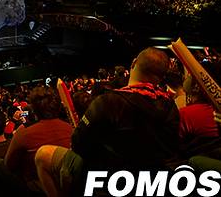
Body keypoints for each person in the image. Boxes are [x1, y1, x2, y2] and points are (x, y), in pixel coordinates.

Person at [35, 47, 180, 197]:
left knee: (43, 154)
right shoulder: (171, 107)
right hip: (152, 180)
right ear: (162, 76)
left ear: (134, 63)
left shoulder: (107, 102)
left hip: (110, 179)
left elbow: (78, 145)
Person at [0, 87, 72, 195]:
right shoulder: (70, 128)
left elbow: (8, 164)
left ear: (34, 109)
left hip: (37, 189)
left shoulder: (24, 132)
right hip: (67, 184)